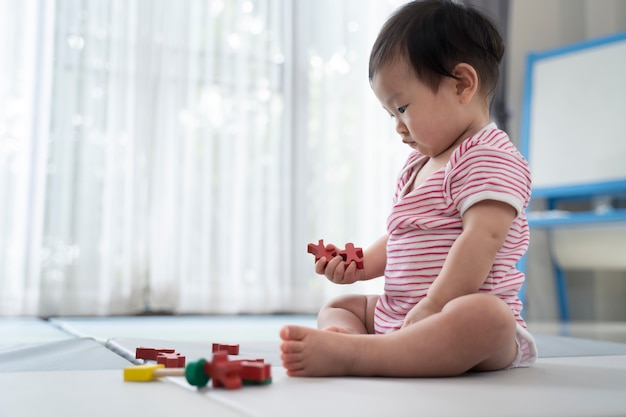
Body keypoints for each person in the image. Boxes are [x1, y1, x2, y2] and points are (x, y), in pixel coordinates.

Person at [279, 0, 538, 377]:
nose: (398, 127)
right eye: (390, 115)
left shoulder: (489, 156)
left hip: (455, 312)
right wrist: (360, 264)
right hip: (402, 313)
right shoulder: (417, 165)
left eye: (402, 109)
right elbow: (403, 236)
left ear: (462, 85)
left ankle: (359, 355)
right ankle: (355, 339)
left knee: (488, 317)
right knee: (343, 306)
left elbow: (481, 240)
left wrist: (435, 304)